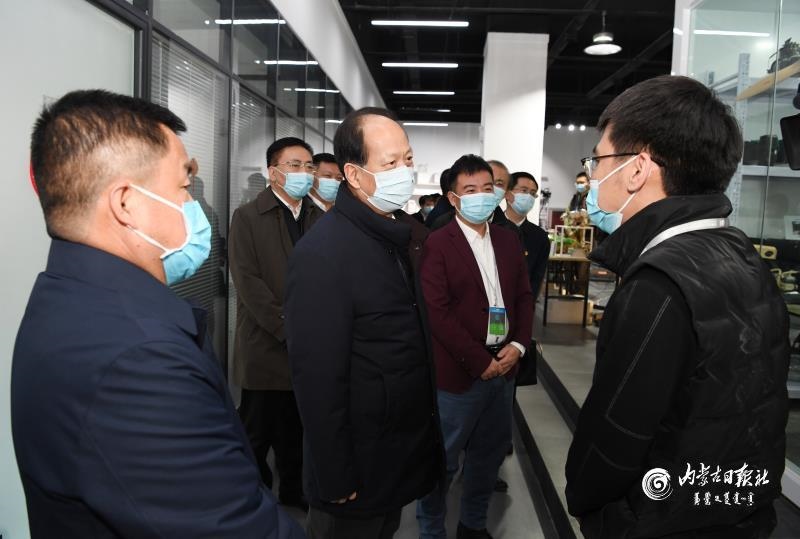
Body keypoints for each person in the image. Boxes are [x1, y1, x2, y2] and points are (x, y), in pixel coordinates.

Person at [11, 89, 303, 538]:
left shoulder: (67, 294)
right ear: (126, 203)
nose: (193, 205)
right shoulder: (139, 360)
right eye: (183, 187)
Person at [564, 75, 789, 538]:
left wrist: (592, 509)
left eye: (597, 159)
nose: (593, 176)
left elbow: (615, 437)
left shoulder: (659, 283)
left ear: (637, 169)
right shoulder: (741, 254)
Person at [285, 107, 443, 539]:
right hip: (354, 468)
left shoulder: (393, 236)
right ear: (354, 175)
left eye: (408, 159)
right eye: (390, 163)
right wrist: (335, 474)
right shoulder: (324, 253)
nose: (405, 172)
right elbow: (317, 379)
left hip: (391, 455)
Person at [417, 154, 533, 539]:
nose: (481, 196)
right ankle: (431, 529)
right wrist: (479, 361)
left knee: (487, 457)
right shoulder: (438, 243)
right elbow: (437, 312)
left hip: (505, 367)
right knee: (443, 462)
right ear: (453, 198)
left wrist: (519, 345)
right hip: (459, 374)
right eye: (470, 190)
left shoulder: (507, 239)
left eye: (488, 188)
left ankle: (473, 524)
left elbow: (524, 297)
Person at [228, 136, 323, 510]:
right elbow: (248, 282)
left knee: (296, 429)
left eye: (308, 166)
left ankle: (293, 491)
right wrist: (287, 329)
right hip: (265, 345)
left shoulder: (318, 217)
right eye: (294, 165)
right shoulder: (248, 217)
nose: (304, 173)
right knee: (257, 430)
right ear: (273, 172)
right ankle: (248, 497)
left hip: (307, 347)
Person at [506, 172, 551, 300]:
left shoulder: (540, 237)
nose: (528, 197)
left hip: (522, 303)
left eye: (532, 193)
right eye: (524, 191)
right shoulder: (491, 228)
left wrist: (527, 305)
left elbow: (537, 278)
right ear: (507, 194)